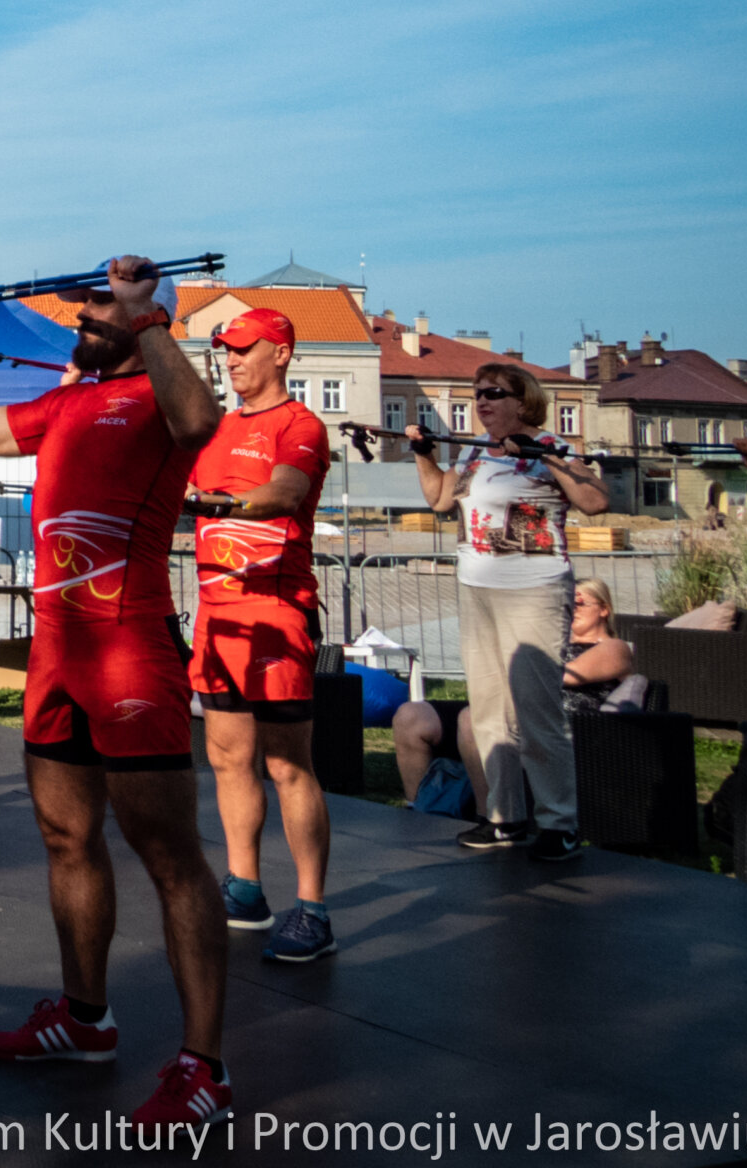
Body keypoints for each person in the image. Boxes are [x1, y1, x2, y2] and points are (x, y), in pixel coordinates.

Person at [0, 258, 232, 1133]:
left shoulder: (158, 393)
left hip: (130, 650)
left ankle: (205, 1067)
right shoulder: (64, 403)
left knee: (169, 853)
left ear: (143, 313)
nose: (81, 319)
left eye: (96, 307)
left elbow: (200, 420)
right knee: (66, 837)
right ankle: (85, 1016)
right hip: (61, 655)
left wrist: (144, 320)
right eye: (88, 309)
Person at [408, 360, 609, 863]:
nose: (483, 402)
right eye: (477, 394)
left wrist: (550, 458)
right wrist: (424, 456)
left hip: (535, 590)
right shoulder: (476, 455)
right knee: (489, 710)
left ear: (523, 401)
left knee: (536, 711)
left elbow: (595, 502)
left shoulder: (552, 448)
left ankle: (559, 822)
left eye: (494, 393)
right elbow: (437, 500)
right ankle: (504, 818)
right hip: (477, 588)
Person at [182, 309, 336, 963]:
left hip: (276, 612)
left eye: (243, 349)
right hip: (218, 614)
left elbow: (283, 494)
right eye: (225, 351)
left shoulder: (300, 424)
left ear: (281, 352)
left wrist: (214, 503)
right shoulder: (214, 428)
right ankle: (245, 887)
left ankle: (313, 909)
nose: (231, 360)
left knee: (286, 765)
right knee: (226, 758)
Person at [394, 580, 639, 815]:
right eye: (566, 603)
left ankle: (489, 817)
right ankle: (419, 809)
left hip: (556, 725)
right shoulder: (549, 643)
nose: (571, 609)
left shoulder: (613, 647)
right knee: (412, 716)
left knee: (473, 719)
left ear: (604, 609)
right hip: (514, 710)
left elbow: (564, 677)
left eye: (580, 603)